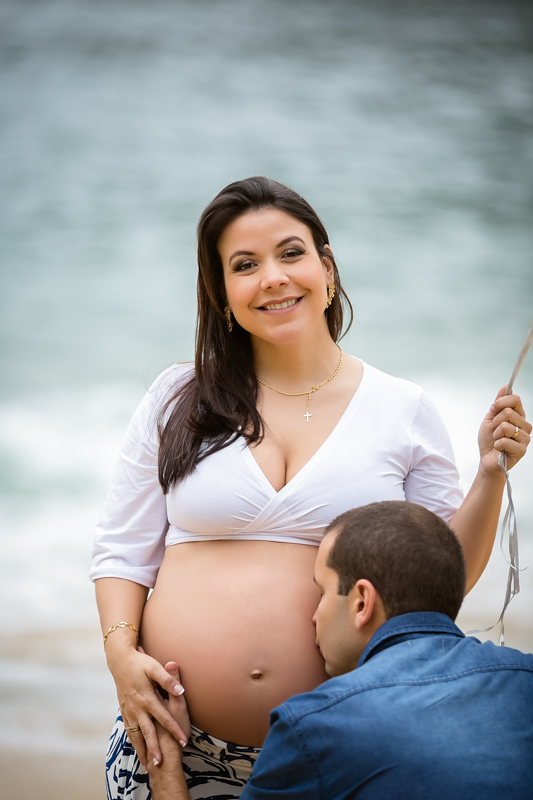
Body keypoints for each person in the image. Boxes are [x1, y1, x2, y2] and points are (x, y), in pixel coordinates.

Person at [90, 177, 531, 800]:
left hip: (341, 751)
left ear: (327, 267)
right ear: (221, 293)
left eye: (291, 253)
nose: (273, 278)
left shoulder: (402, 409)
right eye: (245, 265)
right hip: (170, 738)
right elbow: (121, 551)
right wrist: (122, 660)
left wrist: (489, 475)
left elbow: (437, 585)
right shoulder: (176, 397)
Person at [147, 501, 533, 800]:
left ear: (362, 602)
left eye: (322, 592)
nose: (314, 616)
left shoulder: (314, 725)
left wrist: (164, 763)